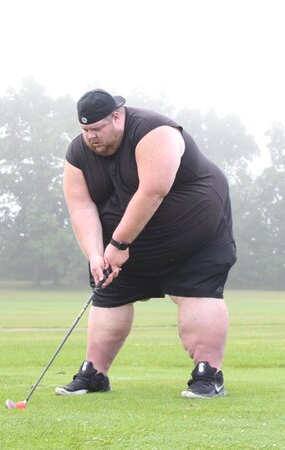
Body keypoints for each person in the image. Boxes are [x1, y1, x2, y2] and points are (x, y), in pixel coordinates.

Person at [55, 89, 236, 399]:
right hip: (127, 240)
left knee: (197, 292)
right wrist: (96, 255)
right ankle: (94, 374)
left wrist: (119, 244)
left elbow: (153, 191)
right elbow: (81, 207)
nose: (91, 137)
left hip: (193, 235)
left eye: (97, 128)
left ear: (117, 116)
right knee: (108, 294)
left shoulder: (155, 132)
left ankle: (208, 375)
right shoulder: (77, 155)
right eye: (85, 130)